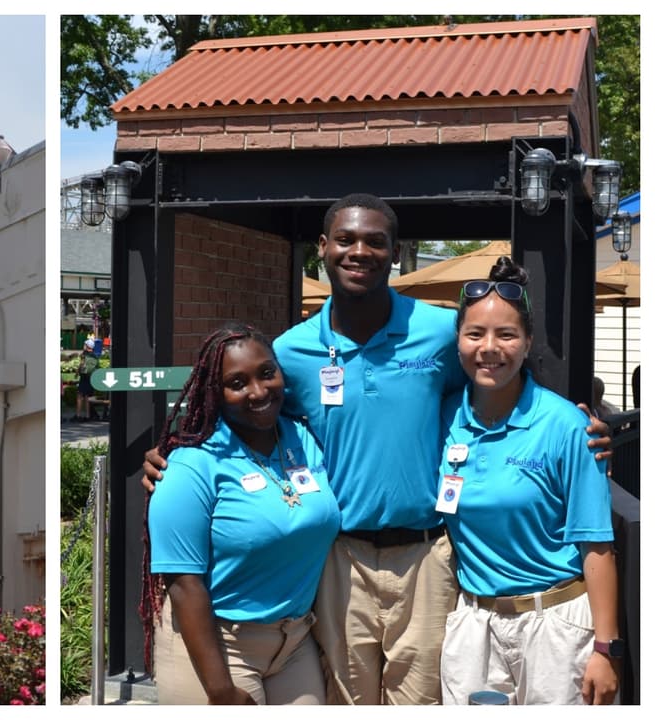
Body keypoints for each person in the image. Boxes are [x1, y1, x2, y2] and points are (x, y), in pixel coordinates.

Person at [143, 193, 611, 705]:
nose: (359, 251)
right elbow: (247, 411)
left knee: (425, 701)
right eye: (345, 239)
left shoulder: (440, 333)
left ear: (394, 252)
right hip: (339, 559)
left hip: (428, 555)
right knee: (347, 700)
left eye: (375, 241)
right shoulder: (290, 353)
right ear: (322, 248)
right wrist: (176, 453)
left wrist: (580, 425)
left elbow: (496, 377)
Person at [437, 258, 619, 705]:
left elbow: (596, 545)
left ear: (528, 342)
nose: (489, 348)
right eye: (475, 333)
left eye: (507, 335)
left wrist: (604, 648)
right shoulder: (442, 419)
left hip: (555, 627)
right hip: (474, 626)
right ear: (457, 339)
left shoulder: (566, 427)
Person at [146, 321, 340, 704]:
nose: (257, 391)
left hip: (294, 641)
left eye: (267, 374)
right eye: (237, 383)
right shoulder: (191, 466)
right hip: (217, 645)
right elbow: (184, 584)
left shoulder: (304, 438)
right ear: (214, 394)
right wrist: (221, 690)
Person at [72, 339, 100, 422]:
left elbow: (81, 365)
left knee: (79, 396)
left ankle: (78, 415)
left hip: (84, 377)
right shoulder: (95, 356)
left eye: (85, 344)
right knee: (88, 397)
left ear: (87, 346)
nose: (83, 346)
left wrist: (77, 373)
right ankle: (88, 416)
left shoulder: (84, 355)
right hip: (92, 378)